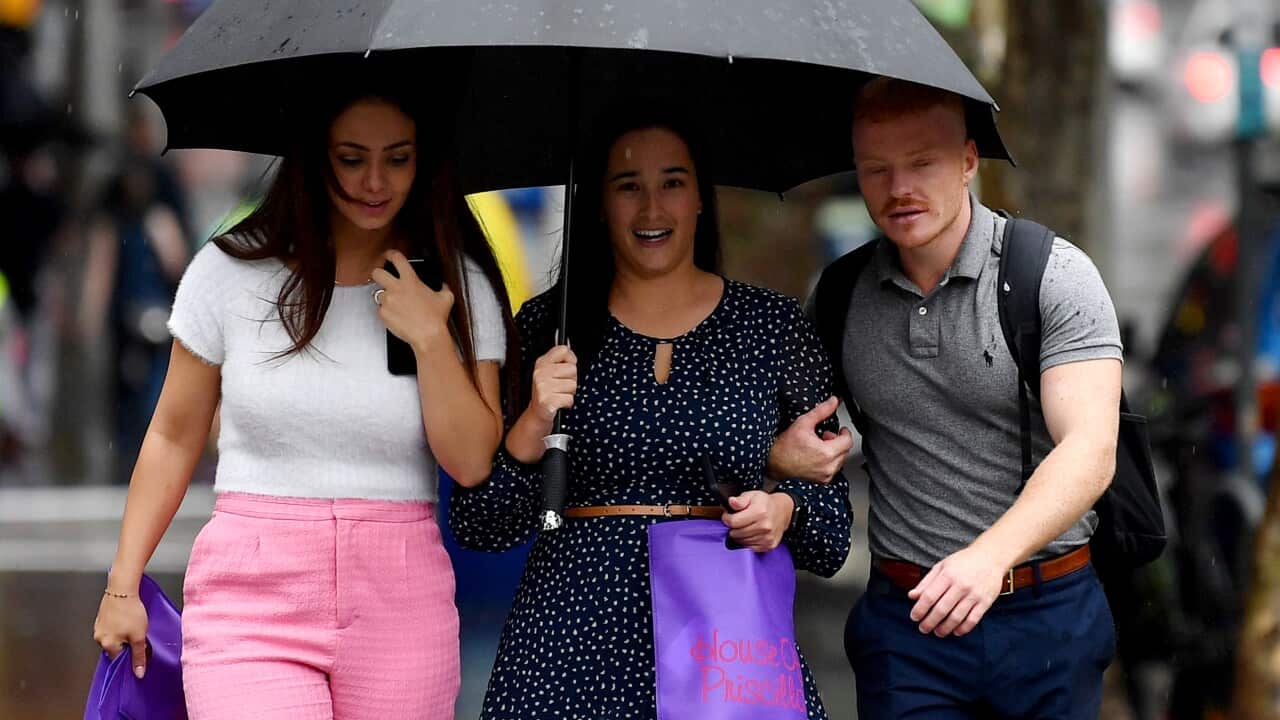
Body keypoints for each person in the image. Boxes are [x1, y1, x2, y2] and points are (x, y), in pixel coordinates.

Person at [91, 85, 518, 719]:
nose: (375, 181)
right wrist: (123, 582)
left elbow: (471, 461)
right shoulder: (229, 272)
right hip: (250, 596)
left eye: (397, 159)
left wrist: (431, 337)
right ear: (314, 157)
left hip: (401, 597)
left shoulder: (457, 284)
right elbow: (173, 435)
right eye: (352, 158)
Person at [448, 111, 853, 719]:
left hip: (722, 641)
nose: (651, 208)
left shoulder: (770, 326)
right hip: (567, 643)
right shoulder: (547, 327)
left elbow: (833, 528)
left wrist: (782, 506)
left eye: (672, 182)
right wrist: (534, 419)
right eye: (627, 186)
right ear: (599, 204)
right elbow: (480, 524)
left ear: (699, 198)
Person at [770, 77, 1123, 719]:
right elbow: (789, 436)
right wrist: (783, 458)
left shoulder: (1050, 276)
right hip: (909, 626)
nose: (899, 187)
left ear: (967, 160)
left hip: (1046, 614)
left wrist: (989, 559)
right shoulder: (841, 295)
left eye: (922, 163)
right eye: (876, 168)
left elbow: (1092, 451)